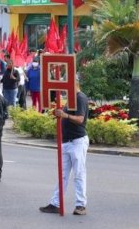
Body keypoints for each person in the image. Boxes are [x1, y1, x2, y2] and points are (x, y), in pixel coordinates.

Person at [40, 83, 89, 216]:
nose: (64, 89)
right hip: (67, 141)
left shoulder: (80, 98)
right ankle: (56, 203)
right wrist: (60, 114)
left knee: (79, 174)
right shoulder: (71, 98)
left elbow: (80, 119)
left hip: (77, 141)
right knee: (62, 175)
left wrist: (65, 115)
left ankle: (81, 205)